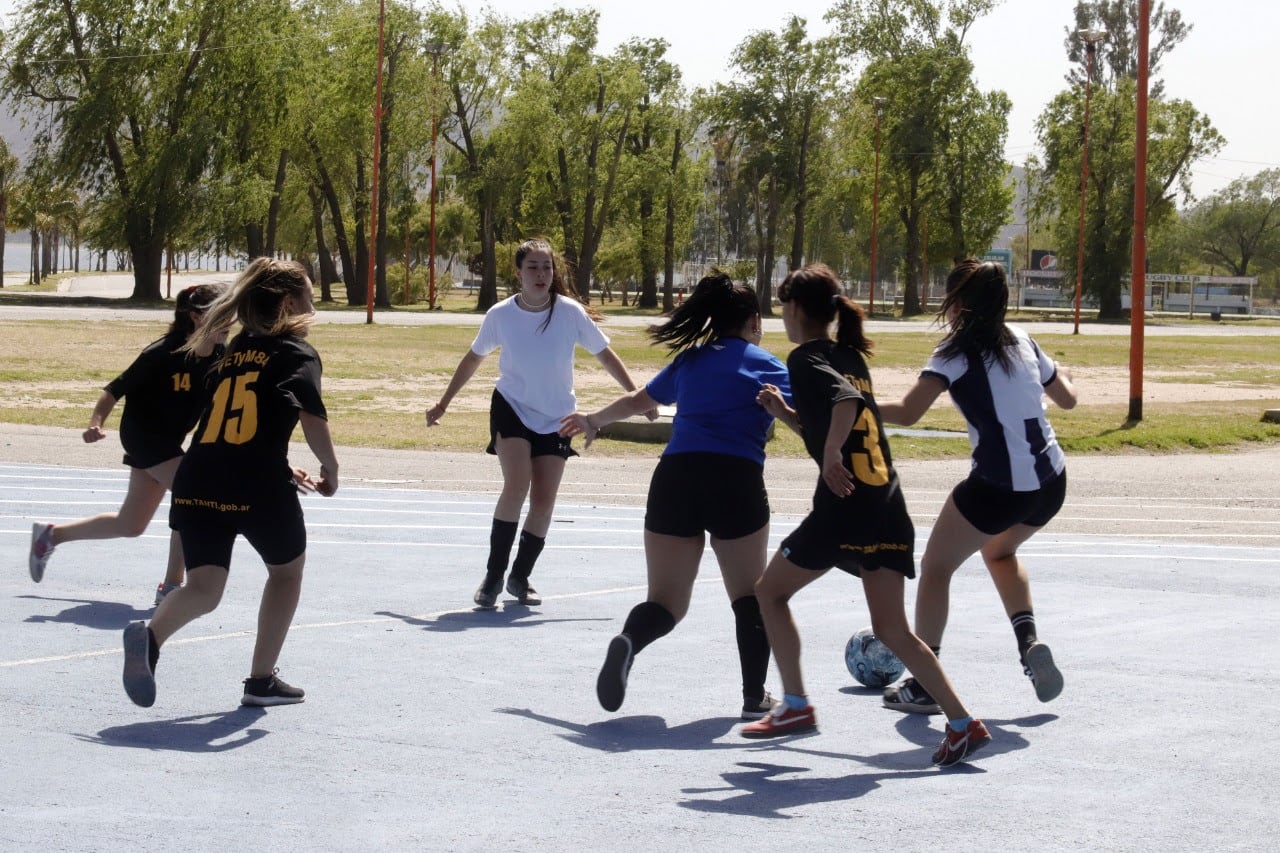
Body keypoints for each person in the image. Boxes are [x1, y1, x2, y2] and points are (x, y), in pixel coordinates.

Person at [744, 262, 990, 768]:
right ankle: (964, 724)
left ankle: (794, 705)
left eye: (782, 305)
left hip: (845, 507)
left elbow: (846, 403)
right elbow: (851, 418)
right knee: (895, 630)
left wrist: (830, 457)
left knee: (769, 592)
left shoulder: (806, 357)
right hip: (886, 505)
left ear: (794, 308)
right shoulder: (851, 355)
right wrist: (786, 416)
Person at [559, 272, 792, 720]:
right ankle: (753, 696)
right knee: (750, 596)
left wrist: (592, 420)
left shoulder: (690, 360)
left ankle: (629, 640)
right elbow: (809, 412)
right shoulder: (766, 364)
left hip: (676, 478)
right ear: (754, 320)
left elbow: (639, 400)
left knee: (665, 603)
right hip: (735, 479)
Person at [120, 258, 339, 708]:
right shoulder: (296, 353)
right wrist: (329, 465)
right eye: (310, 300)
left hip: (198, 476)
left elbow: (232, 423)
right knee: (285, 573)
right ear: (288, 304)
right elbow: (309, 413)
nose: (313, 309)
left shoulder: (231, 352)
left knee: (203, 588)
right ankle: (261, 680)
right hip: (255, 485)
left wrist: (281, 463)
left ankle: (152, 637)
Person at [877, 258, 1078, 715]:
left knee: (935, 567)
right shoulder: (1024, 338)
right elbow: (1067, 398)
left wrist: (853, 402)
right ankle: (1029, 643)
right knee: (1000, 552)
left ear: (958, 304)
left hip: (998, 486)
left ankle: (927, 683)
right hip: (1051, 482)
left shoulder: (953, 351)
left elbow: (908, 413)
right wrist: (1064, 372)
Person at [425, 238, 652, 609]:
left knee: (544, 500)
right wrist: (443, 402)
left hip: (557, 415)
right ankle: (494, 576)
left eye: (546, 267)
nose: (541, 274)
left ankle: (520, 576)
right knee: (517, 484)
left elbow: (606, 356)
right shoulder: (500, 315)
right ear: (518, 273)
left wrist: (637, 395)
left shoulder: (570, 313)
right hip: (511, 407)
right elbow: (472, 359)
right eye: (532, 267)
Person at [28, 283, 229, 605]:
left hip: (170, 443)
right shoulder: (163, 353)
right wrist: (95, 423)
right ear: (196, 317)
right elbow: (113, 390)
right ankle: (171, 587)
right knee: (192, 492)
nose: (230, 321)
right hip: (143, 437)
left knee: (131, 524)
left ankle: (51, 536)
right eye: (222, 313)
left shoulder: (220, 356)